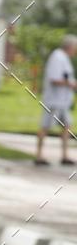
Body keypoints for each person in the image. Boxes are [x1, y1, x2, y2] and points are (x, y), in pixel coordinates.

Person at [35, 34, 77, 166]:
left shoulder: (64, 58)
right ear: (70, 46)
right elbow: (54, 79)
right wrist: (71, 84)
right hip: (53, 101)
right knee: (45, 126)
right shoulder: (57, 57)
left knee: (67, 126)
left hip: (63, 102)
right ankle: (39, 156)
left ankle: (64, 156)